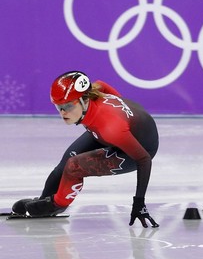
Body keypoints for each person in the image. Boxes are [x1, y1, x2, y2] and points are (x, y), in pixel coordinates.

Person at [12, 71, 159, 228]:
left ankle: (57, 204)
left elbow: (144, 159)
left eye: (68, 106)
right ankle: (44, 199)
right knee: (63, 165)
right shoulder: (95, 91)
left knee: (74, 166)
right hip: (108, 132)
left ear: (84, 100)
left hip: (139, 151)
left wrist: (139, 202)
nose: (63, 113)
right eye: (58, 107)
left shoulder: (112, 128)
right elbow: (102, 85)